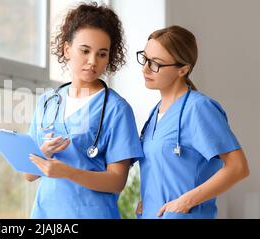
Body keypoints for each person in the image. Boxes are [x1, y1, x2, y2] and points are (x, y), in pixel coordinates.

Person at [25, 2, 143, 219]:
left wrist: (68, 172)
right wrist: (44, 152)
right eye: (85, 50)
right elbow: (29, 174)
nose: (92, 61)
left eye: (102, 54)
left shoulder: (116, 109)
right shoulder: (47, 102)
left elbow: (117, 181)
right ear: (67, 49)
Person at [136, 25, 250, 219]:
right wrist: (147, 201)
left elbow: (238, 168)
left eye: (156, 63)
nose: (146, 68)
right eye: (145, 58)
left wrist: (185, 202)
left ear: (183, 69)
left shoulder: (199, 108)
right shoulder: (156, 112)